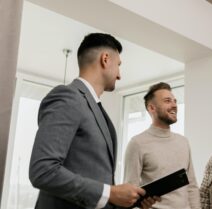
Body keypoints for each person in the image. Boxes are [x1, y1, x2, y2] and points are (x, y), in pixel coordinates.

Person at [29, 33, 158, 209]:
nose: (119, 75)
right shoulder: (68, 97)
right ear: (105, 59)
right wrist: (111, 193)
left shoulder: (93, 106)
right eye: (119, 65)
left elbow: (96, 185)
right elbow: (43, 171)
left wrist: (124, 201)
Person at [123, 82, 201, 209]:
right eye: (167, 101)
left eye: (175, 101)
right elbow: (130, 193)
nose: (174, 105)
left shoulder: (183, 142)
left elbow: (192, 186)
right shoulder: (137, 144)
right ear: (152, 108)